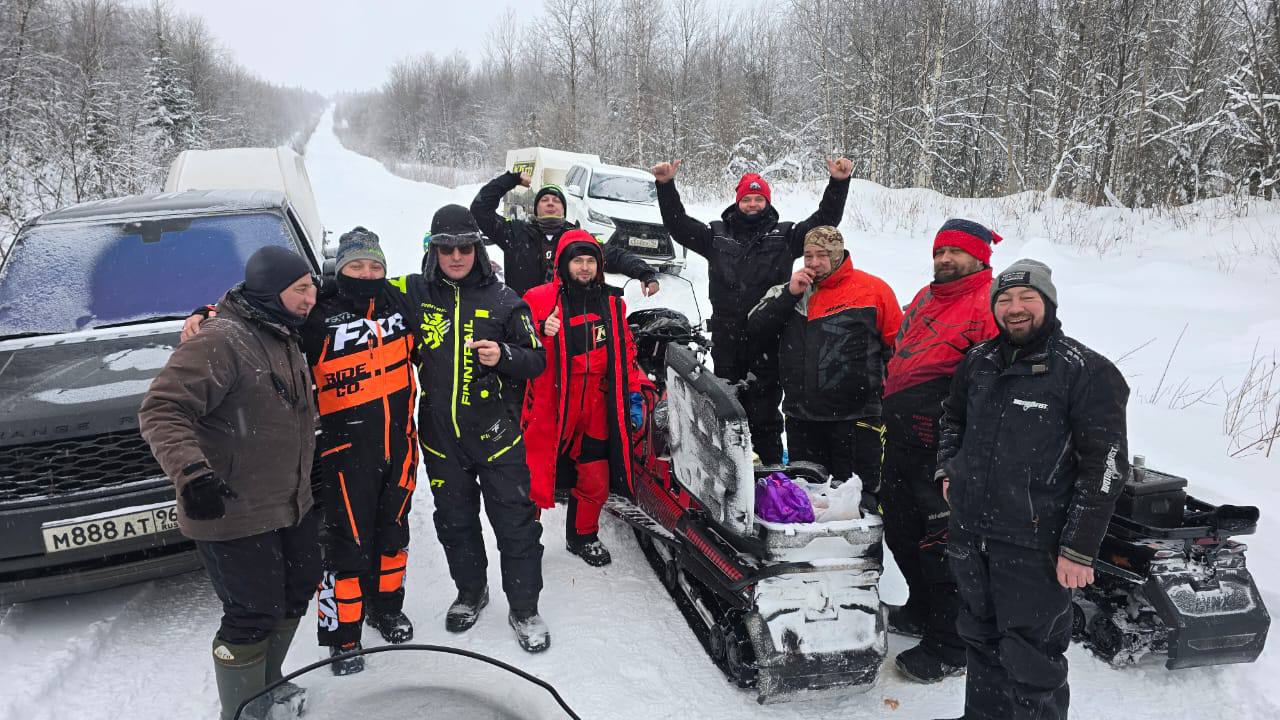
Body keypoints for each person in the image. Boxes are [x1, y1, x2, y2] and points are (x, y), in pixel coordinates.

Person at [181, 228, 422, 676]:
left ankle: (387, 609)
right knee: (344, 547)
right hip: (342, 450)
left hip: (400, 446)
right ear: (338, 270)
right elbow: (257, 313)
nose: (366, 274)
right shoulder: (317, 312)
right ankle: (342, 636)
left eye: (375, 267)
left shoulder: (401, 303)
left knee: (393, 536)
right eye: (356, 266)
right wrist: (209, 312)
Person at [936, 259, 1130, 720]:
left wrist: (1079, 549)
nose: (1014, 308)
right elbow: (952, 419)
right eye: (1004, 299)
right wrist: (949, 470)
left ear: (1048, 302)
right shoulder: (978, 362)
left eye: (1027, 298)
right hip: (971, 534)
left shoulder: (1084, 370)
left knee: (1031, 658)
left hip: (1034, 545)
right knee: (979, 639)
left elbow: (1106, 466)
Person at [139, 246, 320, 720]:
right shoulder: (221, 340)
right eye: (300, 289)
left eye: (312, 287)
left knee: (298, 587)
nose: (311, 298)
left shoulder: (282, 330)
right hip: (233, 508)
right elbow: (161, 409)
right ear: (270, 289)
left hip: (288, 502)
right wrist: (191, 472)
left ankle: (268, 685)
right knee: (252, 613)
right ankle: (243, 711)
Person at [389, 204, 552, 653]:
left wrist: (505, 356)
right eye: (446, 249)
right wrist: (222, 306)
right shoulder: (413, 291)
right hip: (442, 440)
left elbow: (537, 359)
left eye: (464, 248)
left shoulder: (505, 300)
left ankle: (524, 608)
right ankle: (470, 592)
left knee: (516, 527)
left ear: (477, 250)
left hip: (498, 438)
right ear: (433, 251)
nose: (456, 257)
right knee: (455, 524)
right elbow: (350, 288)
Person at [651, 157, 852, 464]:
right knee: (725, 404)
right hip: (726, 334)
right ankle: (728, 468)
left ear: (767, 202)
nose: (753, 204)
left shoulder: (786, 235)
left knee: (765, 408)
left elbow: (824, 221)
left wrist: (838, 183)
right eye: (748, 198)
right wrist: (666, 185)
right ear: (738, 201)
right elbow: (678, 224)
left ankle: (769, 468)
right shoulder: (715, 235)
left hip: (770, 335)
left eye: (759, 198)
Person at [880, 219, 1002, 683]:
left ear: (980, 258)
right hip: (905, 439)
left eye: (955, 252)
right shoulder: (927, 297)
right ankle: (922, 608)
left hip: (948, 449)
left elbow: (993, 388)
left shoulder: (989, 304)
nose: (944, 260)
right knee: (900, 530)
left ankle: (953, 644)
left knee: (942, 545)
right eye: (939, 252)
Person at [521, 229, 649, 567]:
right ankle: (522, 539)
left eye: (590, 260)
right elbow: (515, 341)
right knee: (535, 472)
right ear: (563, 264)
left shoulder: (612, 303)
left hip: (596, 401)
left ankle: (583, 535)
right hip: (553, 400)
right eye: (577, 260)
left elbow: (626, 352)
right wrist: (537, 328)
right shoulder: (538, 298)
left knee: (595, 474)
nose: (584, 267)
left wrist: (634, 391)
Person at [747, 226, 901, 490]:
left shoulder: (873, 290)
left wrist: (890, 401)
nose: (814, 263)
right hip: (802, 418)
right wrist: (789, 294)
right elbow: (755, 327)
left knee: (859, 500)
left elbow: (898, 347)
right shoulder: (791, 290)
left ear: (838, 254)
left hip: (855, 418)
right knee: (808, 500)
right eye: (808, 255)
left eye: (822, 255)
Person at [471, 170, 661, 298]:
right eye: (544, 199)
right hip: (523, 318)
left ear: (563, 209)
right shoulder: (515, 233)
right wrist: (511, 179)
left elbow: (614, 255)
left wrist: (645, 273)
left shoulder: (576, 237)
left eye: (556, 200)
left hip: (566, 321)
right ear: (536, 208)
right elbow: (480, 209)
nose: (551, 203)